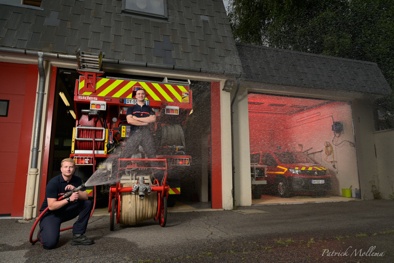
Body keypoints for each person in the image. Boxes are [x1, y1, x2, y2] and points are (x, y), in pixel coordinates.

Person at [38, 158, 94, 249]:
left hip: (65, 211)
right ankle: (43, 231)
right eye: (66, 167)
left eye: (71, 167)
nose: (68, 169)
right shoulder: (53, 183)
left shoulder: (77, 180)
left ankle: (78, 235)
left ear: (74, 169)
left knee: (87, 203)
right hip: (51, 214)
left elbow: (85, 196)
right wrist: (69, 199)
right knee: (50, 244)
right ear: (61, 169)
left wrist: (75, 189)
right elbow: (51, 206)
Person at [122, 88, 157, 161]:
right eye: (139, 94)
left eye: (142, 94)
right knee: (126, 155)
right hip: (134, 134)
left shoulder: (150, 109)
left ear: (145, 96)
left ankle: (157, 172)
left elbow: (153, 119)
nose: (141, 95)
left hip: (146, 135)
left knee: (152, 155)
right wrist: (145, 122)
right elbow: (129, 120)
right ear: (136, 96)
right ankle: (120, 171)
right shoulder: (131, 108)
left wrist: (136, 118)